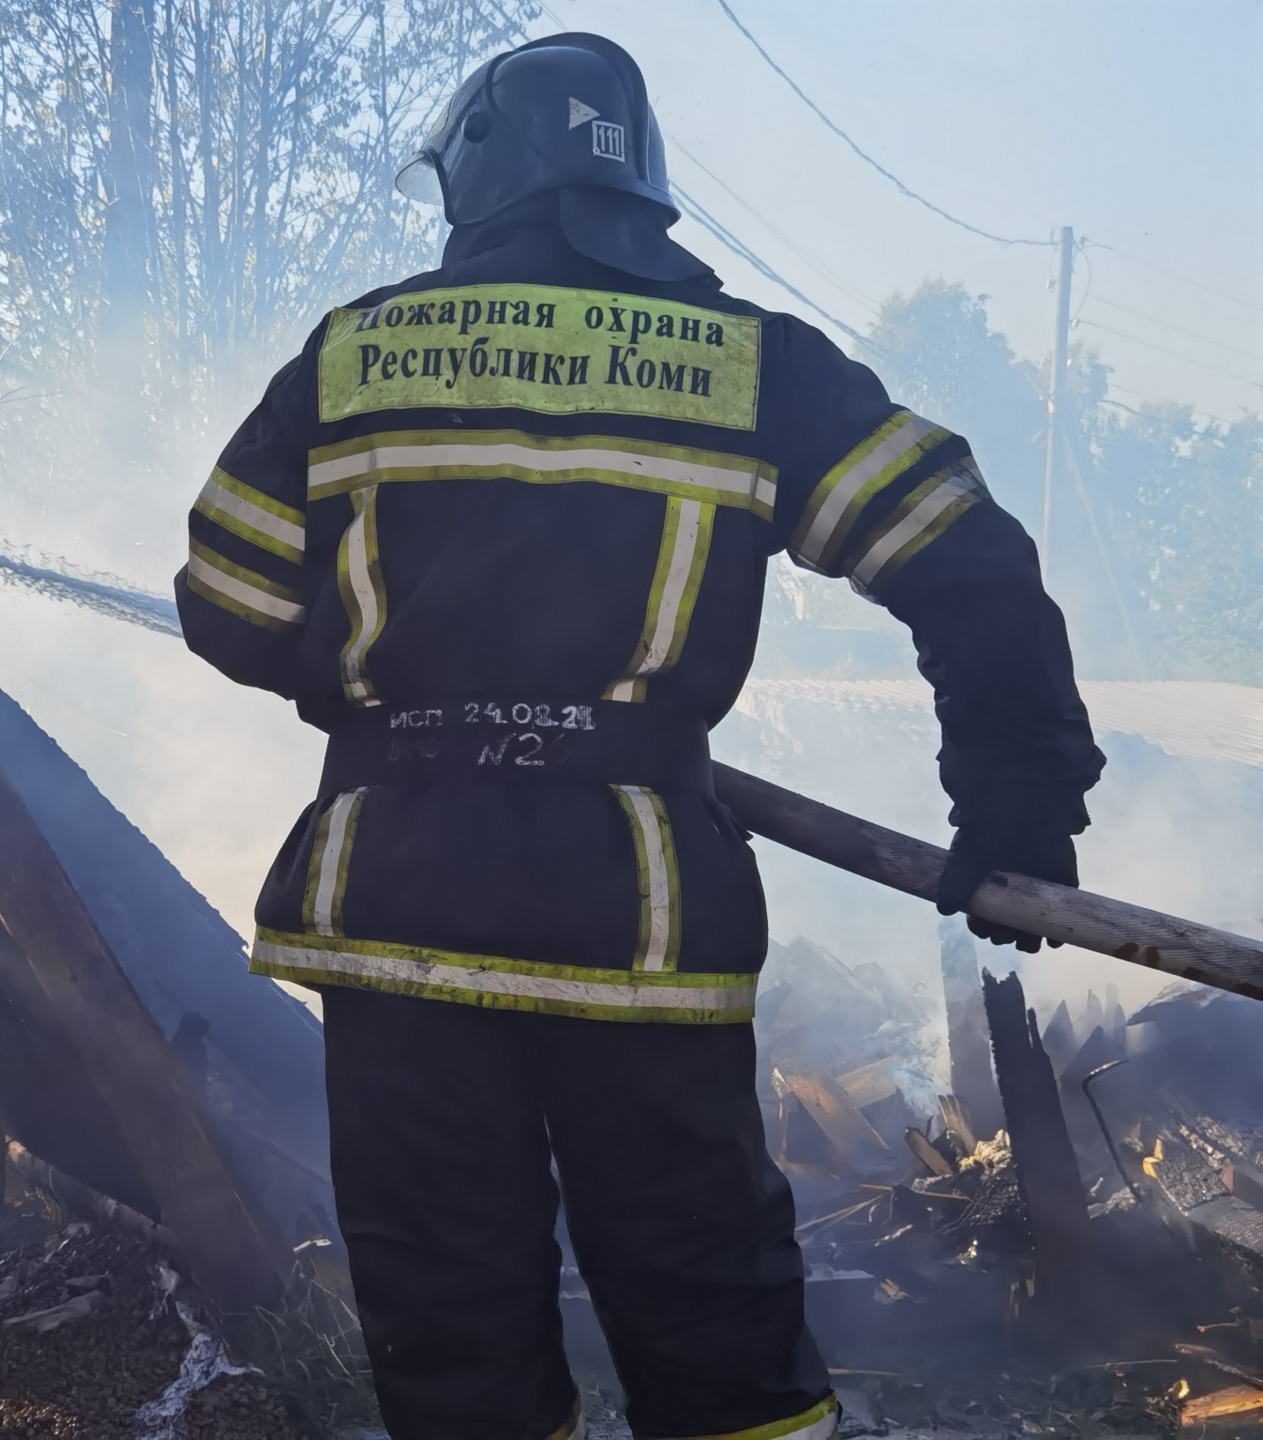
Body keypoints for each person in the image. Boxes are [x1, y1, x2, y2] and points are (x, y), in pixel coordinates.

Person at [174, 31, 1103, 1440]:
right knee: (711, 1314)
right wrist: (1019, 815)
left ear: (478, 176)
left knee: (451, 1335)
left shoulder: (355, 355)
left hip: (397, 906)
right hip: (641, 924)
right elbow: (964, 560)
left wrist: (385, 683)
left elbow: (230, 603)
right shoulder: (754, 364)